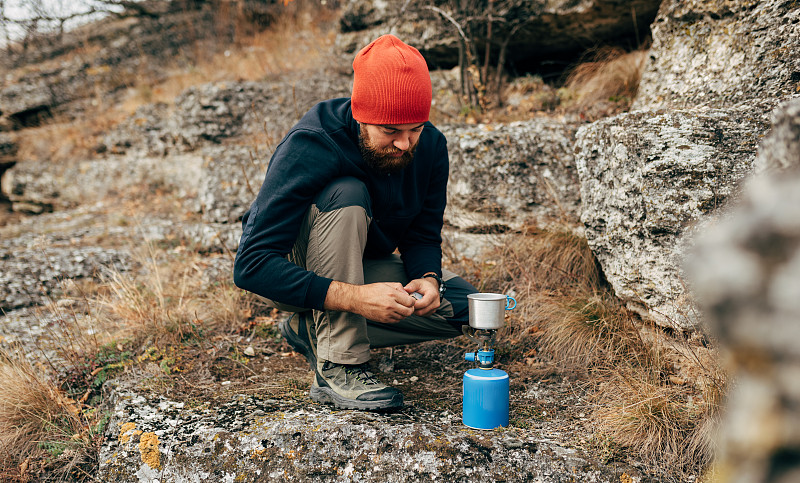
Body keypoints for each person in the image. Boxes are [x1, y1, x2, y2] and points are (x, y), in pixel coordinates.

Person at [233, 34, 477, 411]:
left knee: (464, 307)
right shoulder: (313, 142)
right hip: (291, 267)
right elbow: (251, 266)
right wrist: (357, 299)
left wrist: (428, 278)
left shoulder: (430, 147)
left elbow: (423, 233)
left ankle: (309, 329)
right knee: (347, 192)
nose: (405, 144)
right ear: (361, 115)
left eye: (415, 129)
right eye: (391, 131)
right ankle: (340, 364)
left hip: (358, 266)